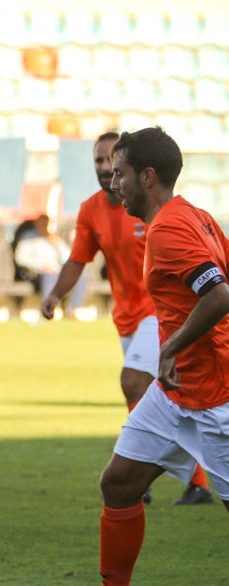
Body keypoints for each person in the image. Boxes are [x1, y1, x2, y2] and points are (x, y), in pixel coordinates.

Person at [47, 127, 229, 586]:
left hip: (215, 397)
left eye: (121, 173)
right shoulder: (196, 216)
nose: (114, 182)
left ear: (147, 177)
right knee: (119, 482)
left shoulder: (170, 229)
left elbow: (218, 296)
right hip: (174, 394)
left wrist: (171, 346)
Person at [41, 132, 212, 505]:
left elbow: (210, 283)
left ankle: (141, 473)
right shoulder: (91, 210)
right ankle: (196, 482)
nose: (106, 169)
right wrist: (55, 294)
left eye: (113, 163)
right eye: (100, 161)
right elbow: (78, 259)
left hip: (159, 314)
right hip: (127, 318)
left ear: (139, 172)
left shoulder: (158, 214)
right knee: (167, 396)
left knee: (133, 381)